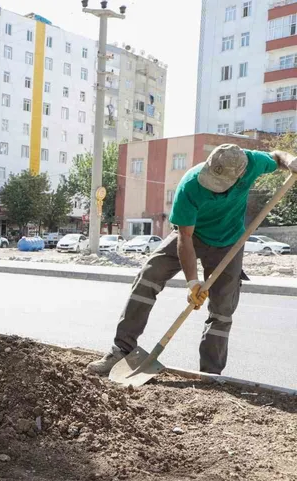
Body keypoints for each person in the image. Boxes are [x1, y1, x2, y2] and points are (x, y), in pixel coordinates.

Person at [87, 144, 296, 376]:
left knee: (222, 310)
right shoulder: (190, 185)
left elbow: (277, 156)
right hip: (192, 235)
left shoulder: (251, 163)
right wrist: (192, 282)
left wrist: (290, 161)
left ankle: (209, 374)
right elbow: (184, 238)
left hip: (228, 243)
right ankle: (121, 351)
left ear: (239, 175)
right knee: (149, 275)